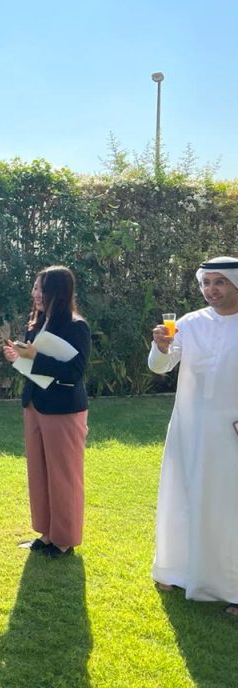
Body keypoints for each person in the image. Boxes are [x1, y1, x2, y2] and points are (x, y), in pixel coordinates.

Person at [147, 256, 238, 616]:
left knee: (228, 506)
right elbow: (160, 367)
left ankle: (231, 586)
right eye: (206, 283)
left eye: (220, 283)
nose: (211, 290)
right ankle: (178, 570)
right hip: (189, 427)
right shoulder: (190, 323)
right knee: (183, 495)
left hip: (231, 431)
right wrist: (162, 346)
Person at [1, 265, 91, 559]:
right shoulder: (36, 323)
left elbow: (74, 372)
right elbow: (34, 368)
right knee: (38, 472)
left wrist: (35, 356)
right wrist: (18, 358)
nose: (35, 294)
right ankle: (46, 533)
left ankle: (65, 540)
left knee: (63, 476)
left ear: (58, 292)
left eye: (41, 288)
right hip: (34, 405)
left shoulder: (77, 326)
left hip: (63, 411)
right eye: (35, 288)